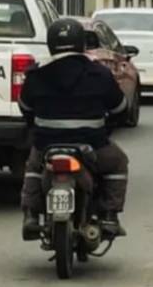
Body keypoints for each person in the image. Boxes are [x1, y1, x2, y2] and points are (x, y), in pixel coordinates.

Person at [18, 18, 130, 240]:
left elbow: (25, 107)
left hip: (47, 143)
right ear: (81, 43)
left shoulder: (37, 74)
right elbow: (119, 107)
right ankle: (109, 215)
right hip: (92, 144)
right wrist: (110, 124)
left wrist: (36, 127)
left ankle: (31, 215)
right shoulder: (99, 73)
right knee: (118, 163)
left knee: (33, 166)